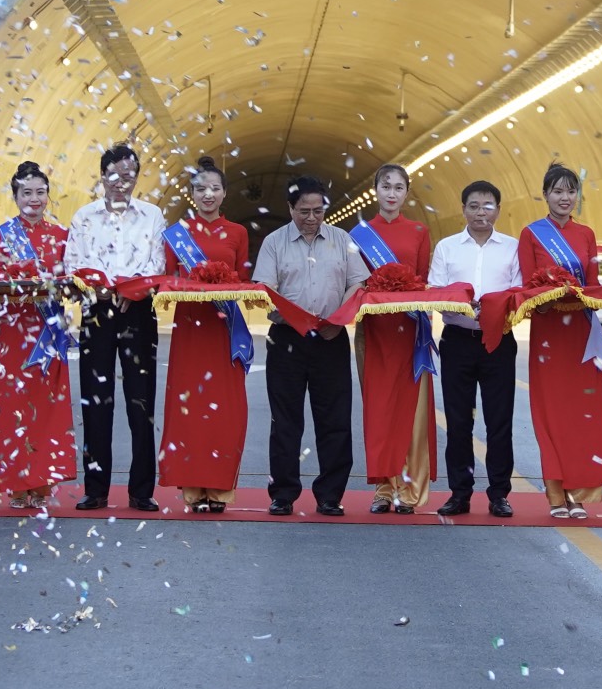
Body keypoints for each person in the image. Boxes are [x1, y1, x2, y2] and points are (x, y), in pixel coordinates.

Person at [256, 175, 366, 517]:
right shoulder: (274, 243)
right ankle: (283, 493)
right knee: (285, 419)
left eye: (318, 210)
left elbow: (358, 282)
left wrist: (339, 318)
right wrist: (295, 318)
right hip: (288, 338)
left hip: (331, 338)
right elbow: (264, 290)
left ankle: (331, 494)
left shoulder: (342, 239)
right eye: (304, 210)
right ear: (290, 208)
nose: (311, 217)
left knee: (334, 419)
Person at [65, 140, 163, 512]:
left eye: (129, 176)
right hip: (97, 311)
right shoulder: (84, 216)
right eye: (115, 175)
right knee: (96, 402)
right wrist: (100, 290)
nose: (122, 182)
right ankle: (96, 488)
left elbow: (156, 263)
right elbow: (73, 263)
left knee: (141, 403)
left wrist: (133, 290)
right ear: (102, 176)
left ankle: (141, 491)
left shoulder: (152, 215)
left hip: (138, 312)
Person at [519, 162, 602, 518]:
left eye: (571, 191)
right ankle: (556, 493)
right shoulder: (531, 234)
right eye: (558, 191)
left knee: (584, 414)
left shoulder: (586, 234)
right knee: (552, 413)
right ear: (545, 195)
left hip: (581, 332)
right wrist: (549, 296)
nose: (565, 198)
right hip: (548, 334)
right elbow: (527, 287)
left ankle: (579, 492)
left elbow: (592, 285)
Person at [158, 156, 250, 513]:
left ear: (224, 193)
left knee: (225, 408)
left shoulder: (238, 233)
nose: (207, 194)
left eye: (214, 188)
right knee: (190, 406)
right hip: (191, 330)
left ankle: (220, 489)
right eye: (200, 189)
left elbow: (243, 280)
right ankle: (193, 489)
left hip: (224, 327)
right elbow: (166, 278)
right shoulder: (178, 233)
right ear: (191, 193)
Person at [0, 162, 76, 508]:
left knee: (47, 408)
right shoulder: (2, 234)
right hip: (11, 333)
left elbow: (71, 282)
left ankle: (42, 483)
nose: (34, 199)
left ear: (48, 196)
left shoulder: (62, 236)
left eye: (40, 192)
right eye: (26, 192)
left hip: (49, 332)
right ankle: (17, 483)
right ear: (15, 196)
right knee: (12, 407)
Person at [429, 179, 521, 519]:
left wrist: (497, 311)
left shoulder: (512, 247)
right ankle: (459, 492)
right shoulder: (447, 248)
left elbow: (519, 291)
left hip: (499, 342)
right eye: (473, 206)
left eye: (488, 206)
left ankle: (499, 494)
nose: (481, 212)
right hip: (457, 341)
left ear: (498, 209)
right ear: (463, 209)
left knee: (499, 421)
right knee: (458, 421)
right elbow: (436, 292)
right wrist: (462, 308)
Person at [350, 162, 437, 514]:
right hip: (373, 332)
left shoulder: (418, 231)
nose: (391, 193)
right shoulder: (358, 234)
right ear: (376, 190)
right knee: (379, 408)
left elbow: (424, 279)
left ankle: (411, 489)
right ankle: (384, 488)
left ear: (406, 192)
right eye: (385, 186)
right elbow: (354, 281)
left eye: (398, 187)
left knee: (412, 410)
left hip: (409, 332)